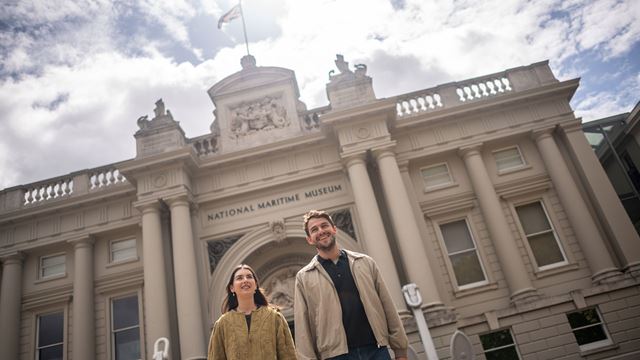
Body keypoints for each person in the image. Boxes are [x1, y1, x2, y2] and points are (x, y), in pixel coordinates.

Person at [294, 210, 408, 360]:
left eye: (324, 226)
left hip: (376, 349)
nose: (321, 231)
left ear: (334, 229)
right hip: (335, 356)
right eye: (314, 230)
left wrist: (400, 351)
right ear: (309, 239)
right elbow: (303, 326)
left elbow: (387, 305)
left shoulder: (365, 263)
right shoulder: (304, 277)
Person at [207, 264, 297, 360]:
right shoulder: (222, 324)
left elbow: (289, 356)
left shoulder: (275, 318)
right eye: (239, 278)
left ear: (255, 285)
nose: (245, 280)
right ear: (232, 288)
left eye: (249, 277)